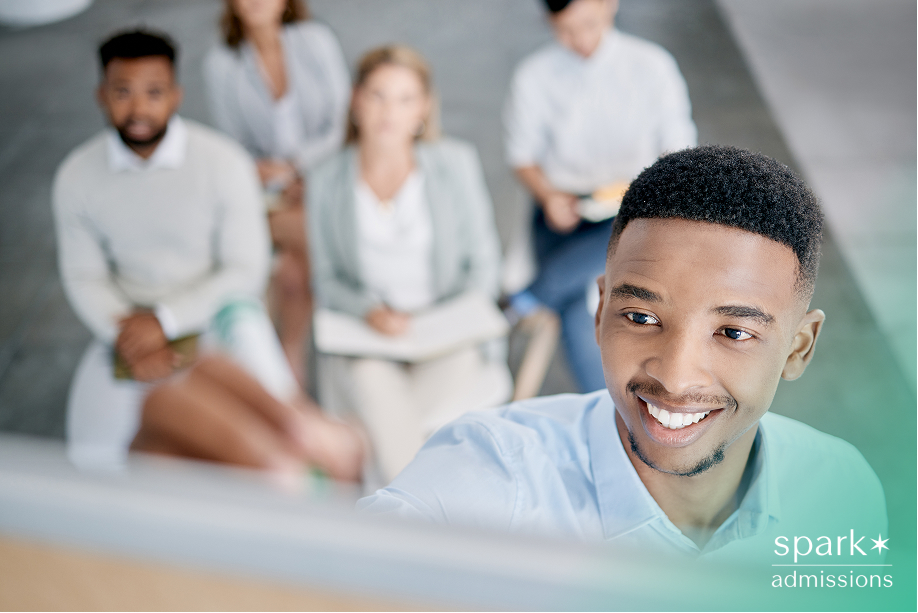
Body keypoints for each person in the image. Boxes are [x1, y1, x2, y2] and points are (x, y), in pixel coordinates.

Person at [132, 146, 886, 560]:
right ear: (597, 312)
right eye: (640, 314)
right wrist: (271, 560)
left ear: (800, 345)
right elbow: (369, 566)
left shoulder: (843, 493)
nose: (677, 374)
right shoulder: (496, 477)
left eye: (734, 331)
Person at [52, 29, 360, 479]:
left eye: (154, 92)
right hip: (127, 329)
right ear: (102, 95)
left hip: (219, 314)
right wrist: (130, 334)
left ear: (176, 95)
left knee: (274, 429)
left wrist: (165, 320)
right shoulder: (76, 176)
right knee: (95, 456)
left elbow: (244, 269)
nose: (139, 108)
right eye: (122, 92)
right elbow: (83, 276)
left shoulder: (222, 162)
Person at [307, 45, 507, 483]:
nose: (389, 112)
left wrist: (446, 320)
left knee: (379, 426)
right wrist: (368, 312)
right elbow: (326, 279)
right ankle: (422, 518)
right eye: (377, 95)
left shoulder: (454, 165)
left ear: (424, 109)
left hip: (447, 337)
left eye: (404, 99)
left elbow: (483, 266)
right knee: (372, 385)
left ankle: (391, 508)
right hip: (370, 338)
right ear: (356, 101)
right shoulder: (325, 180)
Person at [504, 0, 696, 392]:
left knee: (585, 292)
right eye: (565, 29)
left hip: (637, 208)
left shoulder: (651, 66)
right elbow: (521, 155)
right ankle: (616, 411)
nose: (580, 39)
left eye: (589, 24)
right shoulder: (534, 75)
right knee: (584, 296)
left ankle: (528, 296)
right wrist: (549, 195)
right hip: (564, 212)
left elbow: (679, 152)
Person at [203, 0, 350, 384]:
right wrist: (280, 179)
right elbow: (233, 150)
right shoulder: (222, 64)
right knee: (304, 236)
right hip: (266, 194)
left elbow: (342, 123)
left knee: (290, 272)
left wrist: (299, 167)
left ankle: (284, 361)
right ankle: (342, 323)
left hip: (324, 176)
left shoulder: (315, 42)